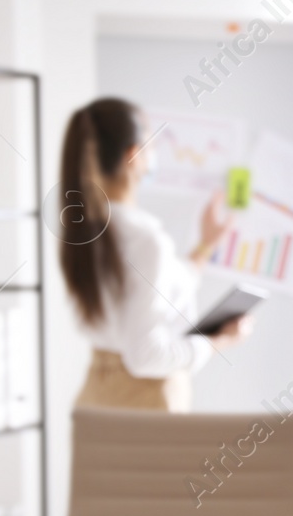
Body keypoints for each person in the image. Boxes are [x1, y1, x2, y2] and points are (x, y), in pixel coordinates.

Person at [55, 97, 250, 411]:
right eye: (151, 141)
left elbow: (155, 283)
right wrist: (218, 342)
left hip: (95, 398)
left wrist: (205, 246)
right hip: (144, 405)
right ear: (134, 155)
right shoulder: (145, 239)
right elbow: (145, 356)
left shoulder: (84, 231)